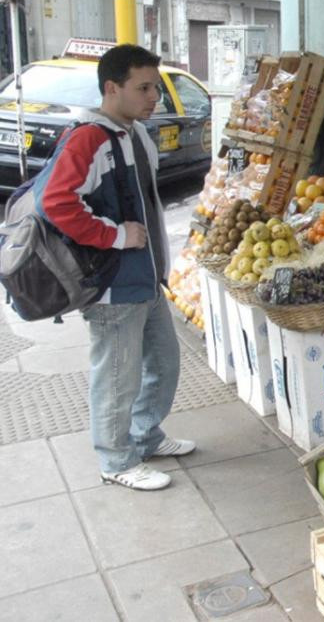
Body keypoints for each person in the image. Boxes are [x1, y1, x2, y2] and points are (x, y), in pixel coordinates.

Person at [34, 44, 193, 491]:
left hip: (144, 278)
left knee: (163, 361)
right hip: (112, 284)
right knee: (117, 375)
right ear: (111, 88)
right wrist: (117, 235)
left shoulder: (132, 132)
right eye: (143, 88)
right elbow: (57, 202)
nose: (153, 98)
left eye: (155, 88)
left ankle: (144, 437)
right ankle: (116, 459)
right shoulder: (90, 137)